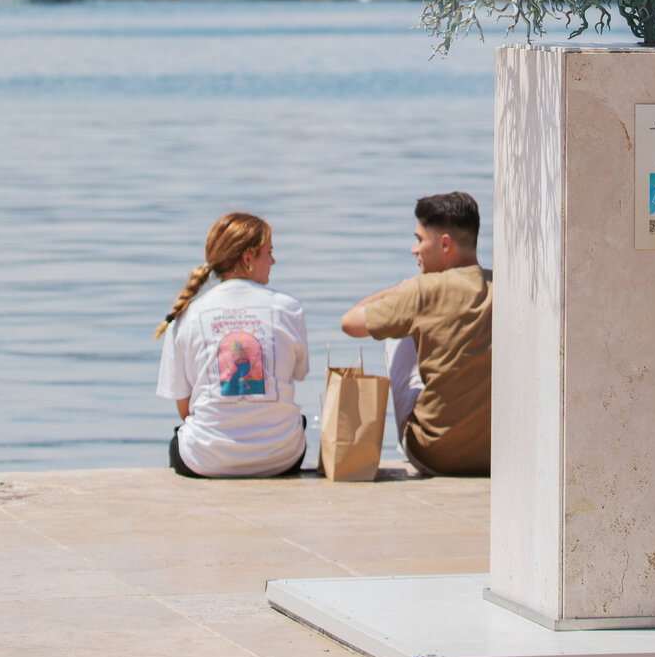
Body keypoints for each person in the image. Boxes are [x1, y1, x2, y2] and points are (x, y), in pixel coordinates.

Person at [340, 191, 491, 477]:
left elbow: (350, 322)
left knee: (397, 330)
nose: (414, 249)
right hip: (496, 454)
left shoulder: (422, 291)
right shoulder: (505, 286)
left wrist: (401, 290)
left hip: (434, 454)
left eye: (420, 240)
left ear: (444, 244)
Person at [155, 211, 309, 479]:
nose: (273, 261)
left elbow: (185, 410)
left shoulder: (186, 316)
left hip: (206, 461)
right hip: (281, 457)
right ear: (248, 258)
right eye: (269, 252)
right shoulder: (288, 308)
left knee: (180, 436)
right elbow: (296, 375)